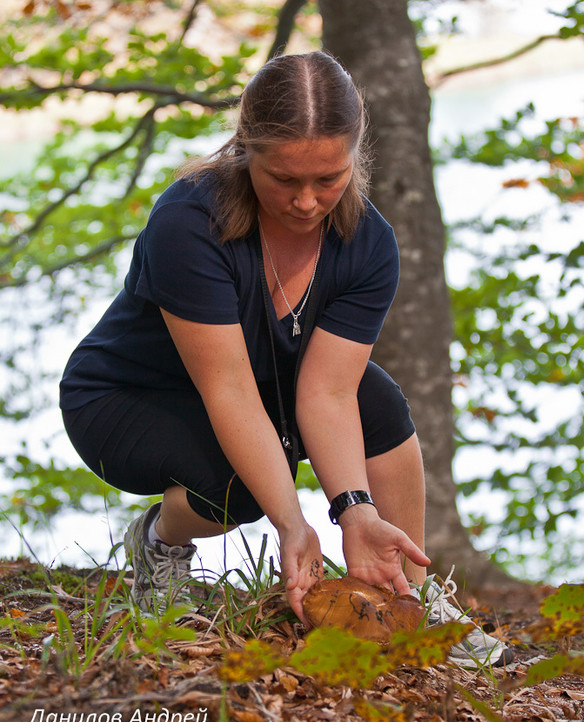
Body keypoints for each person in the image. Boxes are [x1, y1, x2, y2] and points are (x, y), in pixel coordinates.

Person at [59, 51, 512, 669]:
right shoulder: (189, 223)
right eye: (284, 180)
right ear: (247, 152)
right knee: (244, 484)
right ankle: (159, 544)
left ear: (355, 156)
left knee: (376, 398)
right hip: (123, 399)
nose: (306, 201)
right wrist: (294, 522)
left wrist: (356, 512)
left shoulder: (368, 243)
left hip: (258, 391)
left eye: (328, 179)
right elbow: (230, 391)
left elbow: (327, 394)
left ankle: (408, 594)